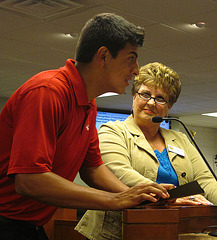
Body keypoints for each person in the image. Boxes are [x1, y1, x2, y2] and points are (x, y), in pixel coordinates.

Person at [0, 13, 173, 240]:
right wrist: (114, 200)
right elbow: (29, 180)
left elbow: (92, 168)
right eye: (131, 58)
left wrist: (133, 194)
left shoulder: (88, 104)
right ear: (103, 56)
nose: (136, 70)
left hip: (29, 224)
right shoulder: (48, 92)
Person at [75, 62, 217, 240]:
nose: (151, 102)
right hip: (117, 232)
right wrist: (168, 197)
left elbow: (206, 179)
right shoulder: (112, 130)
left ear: (169, 106)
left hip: (171, 229)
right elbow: (119, 172)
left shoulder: (180, 138)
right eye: (145, 94)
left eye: (160, 98)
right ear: (134, 96)